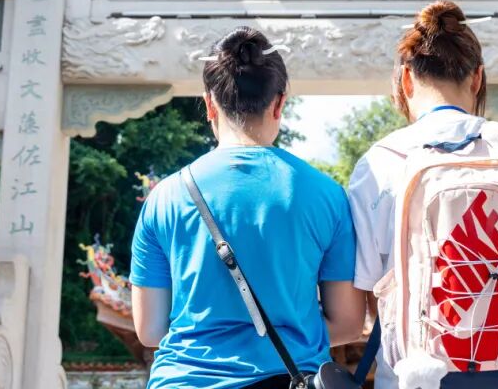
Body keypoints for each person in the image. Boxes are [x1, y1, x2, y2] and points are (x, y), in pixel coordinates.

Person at [347, 0, 498, 389]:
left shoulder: (379, 163)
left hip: (417, 377)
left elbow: (365, 297)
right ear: (478, 77)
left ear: (406, 80)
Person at [131, 27, 366, 389]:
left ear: (210, 104)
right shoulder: (326, 195)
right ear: (279, 103)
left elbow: (149, 329)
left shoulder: (164, 198)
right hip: (288, 378)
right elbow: (348, 323)